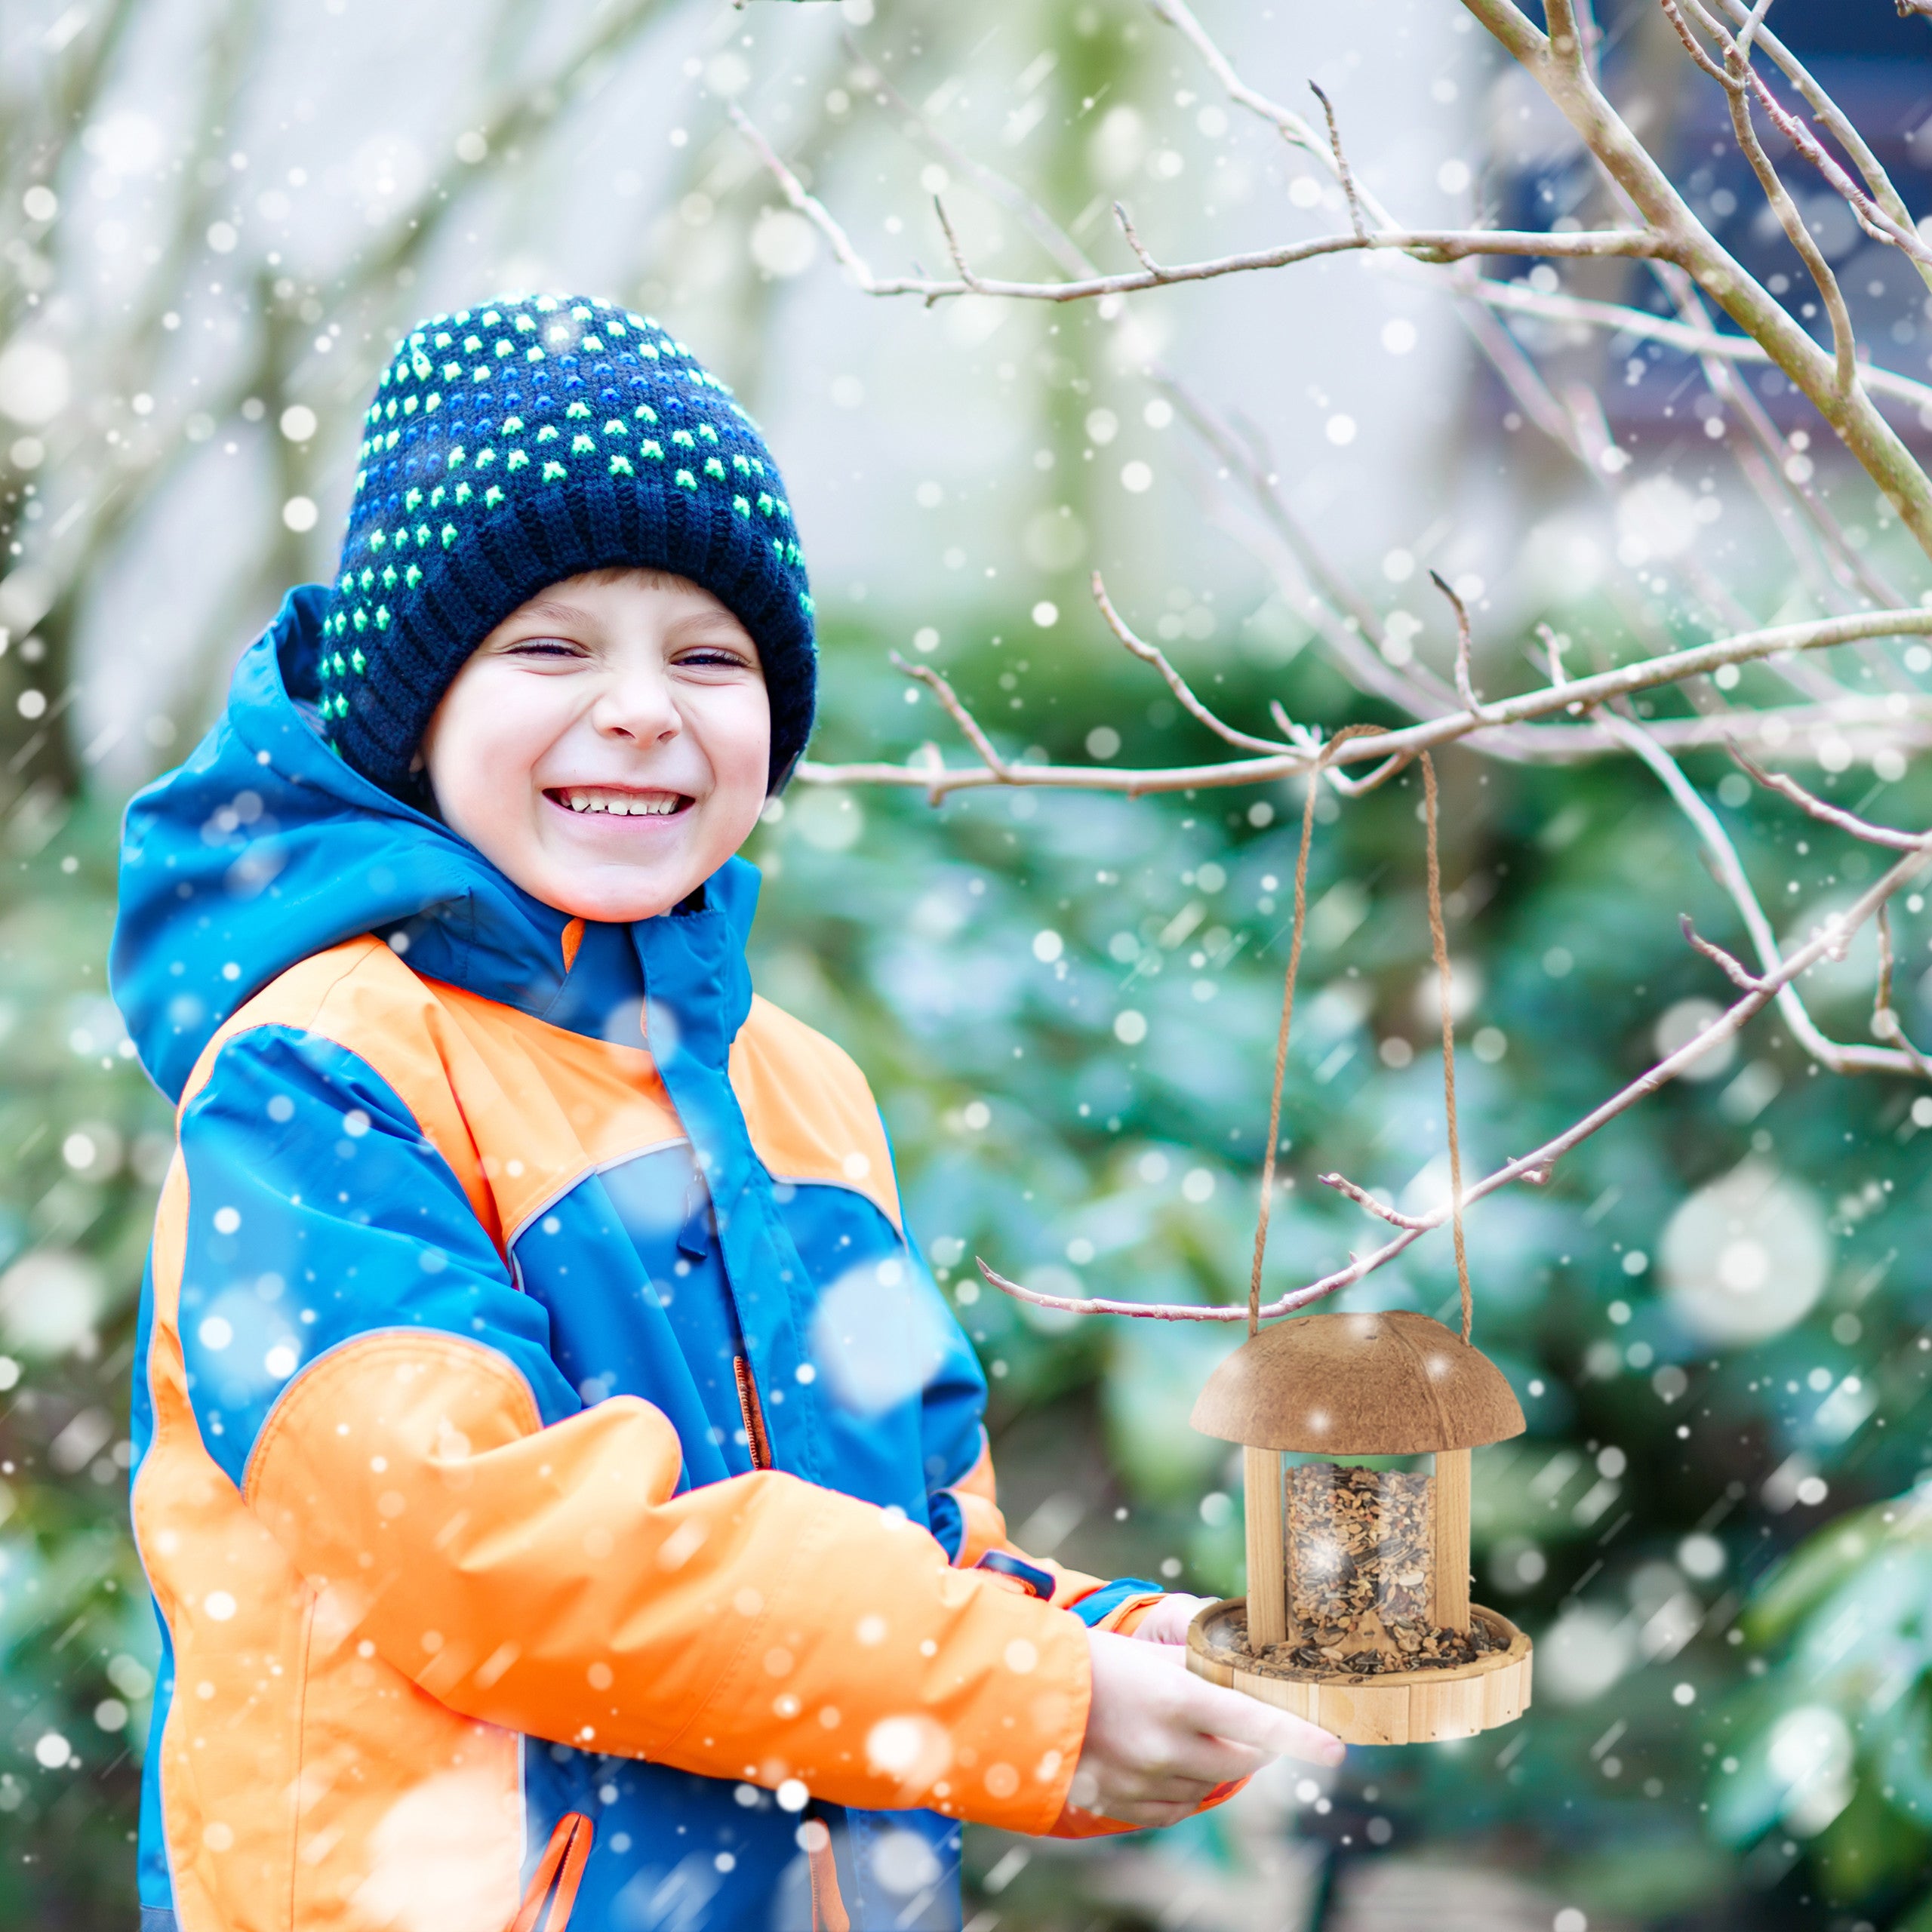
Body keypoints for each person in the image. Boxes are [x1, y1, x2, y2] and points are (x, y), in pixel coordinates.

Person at [110, 292, 1340, 1932]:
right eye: (551, 647)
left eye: (708, 656)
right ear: (414, 711)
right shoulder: (318, 1080)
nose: (642, 707)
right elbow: (482, 1556)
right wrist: (1011, 1689)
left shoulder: (798, 1089)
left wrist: (1098, 1647)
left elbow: (909, 1547)